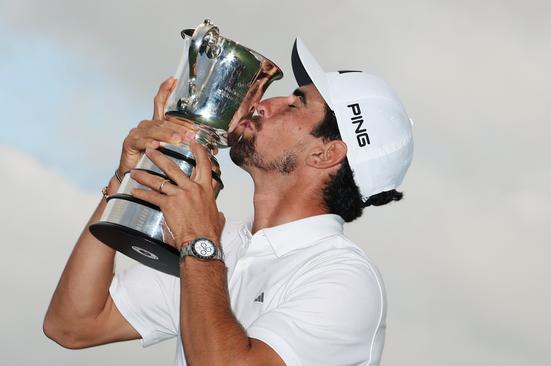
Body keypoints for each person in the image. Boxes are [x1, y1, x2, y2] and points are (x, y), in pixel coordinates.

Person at [43, 38, 414, 366]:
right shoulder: (225, 247)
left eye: (296, 103)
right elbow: (73, 324)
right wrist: (128, 176)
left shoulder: (344, 278)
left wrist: (198, 241)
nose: (266, 104)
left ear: (325, 153)